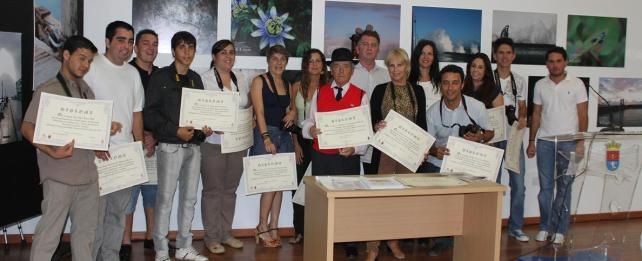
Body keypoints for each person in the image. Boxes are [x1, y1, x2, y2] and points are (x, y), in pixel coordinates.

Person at [23, 35, 106, 261]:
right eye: (81, 58)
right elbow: (27, 127)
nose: (85, 65)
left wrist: (98, 144)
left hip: (88, 176)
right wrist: (51, 151)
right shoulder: (47, 89)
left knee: (86, 236)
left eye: (89, 61)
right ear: (66, 55)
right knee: (49, 235)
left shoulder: (87, 91)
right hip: (59, 176)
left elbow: (85, 132)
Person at [145, 31, 212, 261]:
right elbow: (150, 114)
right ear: (173, 51)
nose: (187, 52)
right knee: (165, 199)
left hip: (193, 147)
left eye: (191, 47)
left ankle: (184, 246)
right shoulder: (160, 77)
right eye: (182, 47)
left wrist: (206, 129)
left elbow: (202, 113)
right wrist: (175, 131)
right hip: (170, 146)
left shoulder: (196, 78)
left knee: (189, 198)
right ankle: (162, 251)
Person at [83, 21, 145, 261]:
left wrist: (138, 146)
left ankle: (110, 256)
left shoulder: (132, 73)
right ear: (107, 42)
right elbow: (83, 108)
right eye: (121, 40)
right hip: (97, 155)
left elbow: (136, 112)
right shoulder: (92, 66)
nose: (126, 46)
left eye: (130, 41)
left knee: (118, 214)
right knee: (94, 217)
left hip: (124, 155)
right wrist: (96, 142)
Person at [301, 47, 368, 259]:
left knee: (348, 201)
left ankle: (349, 241)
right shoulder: (320, 92)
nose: (340, 71)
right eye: (336, 67)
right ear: (331, 69)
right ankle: (323, 237)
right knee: (322, 201)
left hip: (346, 158)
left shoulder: (361, 96)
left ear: (352, 70)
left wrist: (355, 149)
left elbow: (366, 134)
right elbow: (309, 121)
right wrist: (310, 130)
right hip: (321, 156)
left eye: (345, 67)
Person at [424, 64, 494, 256]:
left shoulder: (476, 107)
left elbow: (490, 132)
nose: (450, 88)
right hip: (440, 163)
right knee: (437, 196)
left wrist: (479, 137)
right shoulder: (432, 112)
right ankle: (441, 239)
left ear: (462, 84)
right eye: (445, 83)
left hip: (468, 162)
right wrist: (434, 151)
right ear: (440, 85)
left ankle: (472, 235)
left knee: (475, 198)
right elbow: (428, 144)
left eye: (455, 83)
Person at [367, 48, 427, 260]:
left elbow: (422, 126)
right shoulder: (379, 90)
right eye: (391, 65)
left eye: (399, 65)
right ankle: (373, 247)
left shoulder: (418, 91)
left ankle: (393, 242)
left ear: (407, 67)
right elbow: (371, 122)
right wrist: (376, 125)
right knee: (380, 200)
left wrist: (424, 150)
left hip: (409, 156)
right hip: (385, 154)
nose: (395, 70)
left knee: (402, 201)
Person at [527, 47, 588, 245]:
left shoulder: (577, 84)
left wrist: (580, 141)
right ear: (546, 64)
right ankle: (545, 227)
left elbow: (583, 115)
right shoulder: (539, 85)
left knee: (565, 187)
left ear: (566, 62)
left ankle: (560, 229)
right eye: (551, 61)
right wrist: (531, 141)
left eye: (559, 61)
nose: (555, 64)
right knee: (545, 189)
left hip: (569, 142)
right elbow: (536, 114)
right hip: (545, 142)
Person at [199, 39, 249, 254]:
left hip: (237, 144)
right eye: (223, 53)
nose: (228, 56)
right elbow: (198, 110)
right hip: (213, 144)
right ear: (214, 56)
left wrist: (251, 118)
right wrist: (208, 126)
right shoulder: (204, 79)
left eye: (231, 52)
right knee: (213, 191)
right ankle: (211, 237)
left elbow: (248, 105)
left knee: (230, 190)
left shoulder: (242, 78)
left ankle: (225, 233)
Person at [249, 45, 296, 248]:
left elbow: (292, 106)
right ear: (268, 61)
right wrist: (266, 138)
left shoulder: (287, 83)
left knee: (281, 184)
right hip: (266, 135)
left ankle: (274, 225)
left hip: (284, 136)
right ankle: (261, 226)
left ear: (286, 62)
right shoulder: (259, 81)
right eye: (274, 59)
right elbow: (258, 111)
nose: (278, 63)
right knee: (270, 185)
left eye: (282, 59)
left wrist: (293, 112)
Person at [120, 28, 160, 260]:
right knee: (129, 194)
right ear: (136, 47)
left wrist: (153, 135)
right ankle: (125, 240)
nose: (151, 48)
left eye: (155, 44)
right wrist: (141, 133)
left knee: (153, 191)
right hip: (129, 141)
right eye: (146, 43)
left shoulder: (161, 75)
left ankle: (151, 236)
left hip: (155, 142)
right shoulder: (126, 72)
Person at [288, 48, 328, 245]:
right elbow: (292, 116)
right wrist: (296, 144)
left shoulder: (329, 88)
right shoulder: (296, 86)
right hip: (301, 141)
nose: (314, 64)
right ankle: (300, 231)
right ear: (305, 65)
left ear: (323, 66)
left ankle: (319, 231)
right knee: (298, 187)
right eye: (311, 61)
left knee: (319, 188)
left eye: (318, 61)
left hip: (322, 142)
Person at [492, 37, 530, 242]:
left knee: (519, 183)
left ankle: (516, 227)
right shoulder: (489, 77)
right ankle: (492, 226)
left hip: (513, 135)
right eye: (501, 52)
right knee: (494, 183)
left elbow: (522, 105)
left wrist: (523, 116)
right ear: (495, 56)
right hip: (493, 136)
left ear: (513, 56)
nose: (505, 56)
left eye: (508, 52)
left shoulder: (520, 80)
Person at [349, 29, 390, 175]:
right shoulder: (349, 74)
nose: (369, 48)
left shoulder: (387, 75)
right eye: (365, 44)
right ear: (357, 48)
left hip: (380, 142)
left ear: (378, 49)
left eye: (373, 45)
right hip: (353, 140)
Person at [409, 39, 441, 109]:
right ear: (417, 55)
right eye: (422, 53)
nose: (425, 57)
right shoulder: (407, 82)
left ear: (434, 58)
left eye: (429, 54)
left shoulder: (441, 82)